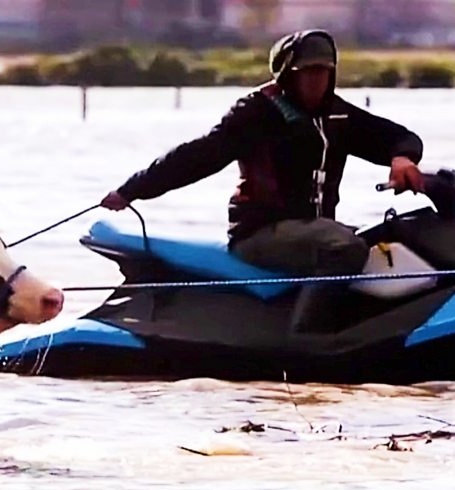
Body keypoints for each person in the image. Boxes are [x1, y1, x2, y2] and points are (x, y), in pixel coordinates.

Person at [99, 29, 426, 332]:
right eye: (307, 73)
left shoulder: (337, 115)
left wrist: (403, 157)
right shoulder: (256, 113)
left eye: (323, 72)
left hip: (313, 233)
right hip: (260, 233)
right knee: (344, 247)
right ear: (288, 75)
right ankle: (309, 339)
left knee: (386, 243)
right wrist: (132, 190)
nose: (316, 81)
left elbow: (398, 136)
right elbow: (195, 157)